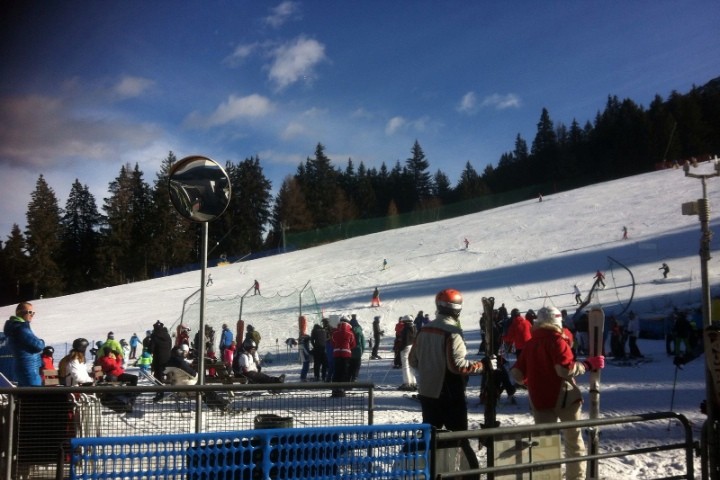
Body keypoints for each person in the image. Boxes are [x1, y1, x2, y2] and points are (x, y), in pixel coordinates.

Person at [510, 306, 605, 480]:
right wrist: (587, 365)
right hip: (565, 398)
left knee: (545, 446)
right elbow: (565, 369)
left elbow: (517, 373)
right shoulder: (557, 340)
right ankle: (575, 477)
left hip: (539, 401)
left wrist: (531, 382)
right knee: (573, 442)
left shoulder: (531, 343)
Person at [409, 289, 489, 431]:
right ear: (457, 310)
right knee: (458, 436)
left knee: (430, 437)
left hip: (427, 392)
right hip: (449, 393)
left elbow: (412, 360)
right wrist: (482, 365)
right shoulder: (452, 332)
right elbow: (457, 366)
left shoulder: (424, 330)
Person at [3, 302, 45, 386]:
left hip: (24, 368)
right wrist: (42, 341)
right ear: (20, 313)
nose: (32, 315)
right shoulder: (21, 328)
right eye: (30, 312)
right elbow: (38, 345)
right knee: (34, 393)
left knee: (24, 393)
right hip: (29, 369)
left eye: (33, 313)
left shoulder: (15, 327)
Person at [331, 317, 357, 396]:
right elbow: (353, 344)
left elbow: (333, 342)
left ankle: (334, 389)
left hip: (336, 353)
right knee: (344, 371)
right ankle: (342, 389)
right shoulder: (350, 333)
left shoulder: (335, 332)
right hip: (346, 354)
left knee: (336, 371)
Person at [150, 321, 172, 400]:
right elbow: (170, 346)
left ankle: (160, 393)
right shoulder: (167, 335)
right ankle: (171, 390)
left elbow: (151, 349)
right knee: (169, 374)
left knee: (158, 377)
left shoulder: (154, 336)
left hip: (158, 360)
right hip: (168, 359)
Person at [397, 315, 417, 391]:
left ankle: (407, 383)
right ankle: (413, 382)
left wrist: (400, 348)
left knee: (405, 366)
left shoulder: (406, 328)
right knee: (411, 365)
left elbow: (404, 340)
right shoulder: (414, 327)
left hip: (406, 347)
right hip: (412, 346)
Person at [349, 316, 365, 382]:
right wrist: (362, 351)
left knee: (350, 366)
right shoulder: (359, 331)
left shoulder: (349, 331)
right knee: (357, 366)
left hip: (350, 352)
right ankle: (354, 377)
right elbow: (363, 343)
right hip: (358, 351)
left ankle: (349, 378)